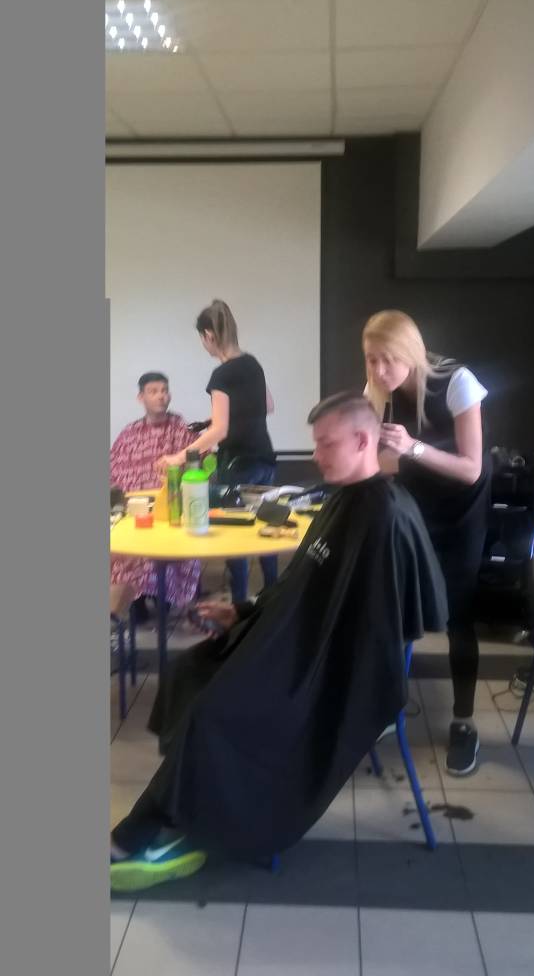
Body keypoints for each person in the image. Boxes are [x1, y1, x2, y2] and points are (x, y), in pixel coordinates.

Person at [110, 392, 447, 892]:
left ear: (362, 441)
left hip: (320, 673)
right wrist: (244, 611)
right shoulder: (343, 499)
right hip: (294, 647)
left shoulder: (383, 517)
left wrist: (285, 655)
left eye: (326, 444)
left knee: (212, 713)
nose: (315, 455)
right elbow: (301, 586)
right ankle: (198, 805)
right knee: (187, 671)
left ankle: (151, 829)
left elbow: (365, 636)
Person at [362, 310, 491, 776]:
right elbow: (381, 461)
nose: (379, 371)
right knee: (394, 604)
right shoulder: (377, 391)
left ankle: (464, 723)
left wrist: (411, 447)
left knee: (458, 616)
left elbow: (471, 468)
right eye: (371, 360)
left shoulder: (458, 383)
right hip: (416, 506)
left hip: (462, 512)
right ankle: (388, 706)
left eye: (388, 359)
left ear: (411, 353)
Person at [157, 299, 277, 602]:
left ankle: (238, 604)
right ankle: (274, 595)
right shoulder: (252, 363)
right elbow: (267, 406)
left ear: (208, 335)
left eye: (202, 339)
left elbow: (220, 431)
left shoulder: (221, 376)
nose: (203, 345)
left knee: (234, 533)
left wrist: (179, 457)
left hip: (237, 463)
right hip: (264, 458)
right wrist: (216, 419)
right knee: (268, 524)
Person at [109, 372, 201, 621]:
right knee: (127, 546)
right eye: (154, 391)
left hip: (172, 509)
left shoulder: (181, 428)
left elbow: (198, 464)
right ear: (141, 397)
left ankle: (165, 595)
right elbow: (113, 470)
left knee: (167, 546)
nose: (161, 396)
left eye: (164, 390)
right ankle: (135, 598)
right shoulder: (130, 433)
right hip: (136, 511)